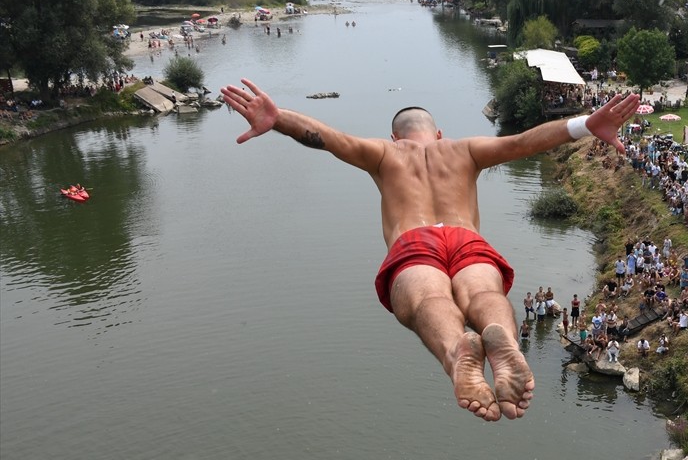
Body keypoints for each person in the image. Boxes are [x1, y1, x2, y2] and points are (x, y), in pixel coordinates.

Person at [221, 78, 638, 421]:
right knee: (484, 296)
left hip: (415, 241)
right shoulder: (464, 148)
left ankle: (458, 353)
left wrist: (278, 120)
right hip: (466, 238)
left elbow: (327, 139)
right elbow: (525, 142)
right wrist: (587, 123)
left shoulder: (384, 152)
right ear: (438, 134)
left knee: (425, 301)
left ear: (395, 136)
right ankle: (500, 340)